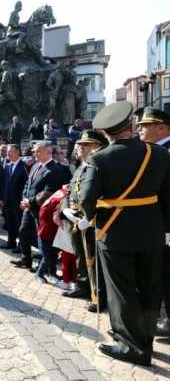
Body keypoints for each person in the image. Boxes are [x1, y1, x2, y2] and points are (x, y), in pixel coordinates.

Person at [80, 101, 170, 366]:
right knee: (149, 287)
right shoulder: (160, 154)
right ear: (131, 126)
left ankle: (132, 346)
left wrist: (89, 216)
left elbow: (87, 200)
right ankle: (145, 340)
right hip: (153, 231)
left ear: (107, 133)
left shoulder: (99, 158)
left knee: (122, 291)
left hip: (115, 232)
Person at [60, 130, 107, 312]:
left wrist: (90, 217)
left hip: (93, 221)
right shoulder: (80, 168)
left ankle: (99, 296)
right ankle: (84, 287)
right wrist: (66, 209)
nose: (79, 147)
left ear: (97, 147)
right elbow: (70, 190)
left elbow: (103, 196)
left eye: (85, 145)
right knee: (81, 256)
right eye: (79, 144)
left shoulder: (99, 168)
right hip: (76, 219)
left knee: (95, 260)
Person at [134, 107, 170, 337]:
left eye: (145, 126)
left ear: (162, 127)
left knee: (167, 272)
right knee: (158, 272)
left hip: (165, 224)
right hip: (155, 223)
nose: (140, 130)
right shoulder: (155, 150)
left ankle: (168, 320)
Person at [11, 141, 63, 269]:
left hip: (42, 210)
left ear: (48, 152)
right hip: (29, 208)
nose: (35, 154)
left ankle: (45, 265)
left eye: (38, 151)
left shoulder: (54, 169)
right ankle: (26, 259)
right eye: (34, 151)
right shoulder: (35, 165)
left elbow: (48, 192)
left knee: (43, 238)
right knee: (23, 232)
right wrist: (24, 198)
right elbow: (28, 184)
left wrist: (31, 201)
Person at [0, 144, 27, 249]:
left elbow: (26, 184)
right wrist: (1, 198)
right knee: (10, 223)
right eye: (7, 151)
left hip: (18, 202)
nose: (8, 153)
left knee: (20, 224)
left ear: (17, 152)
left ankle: (22, 246)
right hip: (7, 201)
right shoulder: (7, 166)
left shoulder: (23, 166)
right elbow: (3, 183)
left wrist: (23, 200)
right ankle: (11, 243)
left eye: (10, 151)